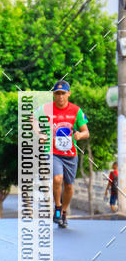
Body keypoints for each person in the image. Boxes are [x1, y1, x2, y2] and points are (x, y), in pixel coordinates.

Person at [45, 80, 89, 228]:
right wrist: (39, 133)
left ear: (68, 93)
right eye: (57, 93)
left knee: (69, 186)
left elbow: (86, 132)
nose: (60, 96)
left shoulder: (76, 110)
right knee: (57, 178)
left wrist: (79, 136)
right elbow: (33, 120)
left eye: (63, 93)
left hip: (70, 154)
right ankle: (57, 207)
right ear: (53, 95)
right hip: (53, 152)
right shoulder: (47, 109)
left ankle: (64, 211)